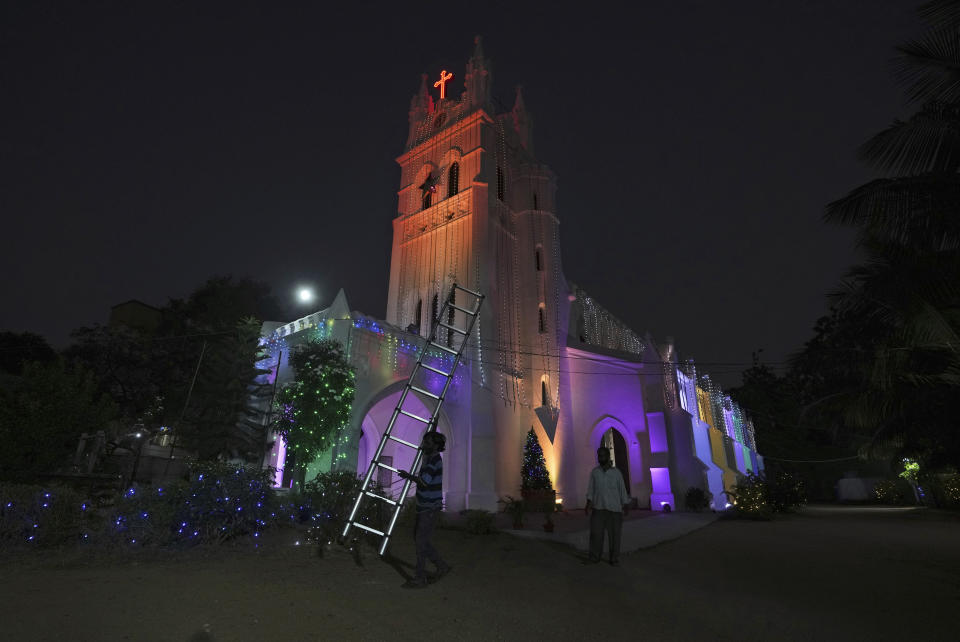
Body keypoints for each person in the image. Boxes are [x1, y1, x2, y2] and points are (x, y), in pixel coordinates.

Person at [398, 431, 452, 588]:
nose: (423, 445)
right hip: (426, 507)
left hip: (429, 508)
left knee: (420, 542)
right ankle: (441, 566)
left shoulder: (434, 461)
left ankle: (420, 577)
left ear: (435, 445)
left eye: (427, 443)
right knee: (420, 540)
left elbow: (424, 482)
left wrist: (408, 476)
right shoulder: (430, 459)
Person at [584, 446, 630, 566]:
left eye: (603, 455)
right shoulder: (595, 472)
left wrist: (625, 504)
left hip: (614, 510)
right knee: (595, 534)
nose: (601, 458)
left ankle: (613, 559)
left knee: (615, 536)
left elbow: (622, 489)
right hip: (598, 509)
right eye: (599, 456)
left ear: (608, 457)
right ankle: (594, 557)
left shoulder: (616, 473)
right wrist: (588, 504)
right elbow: (591, 489)